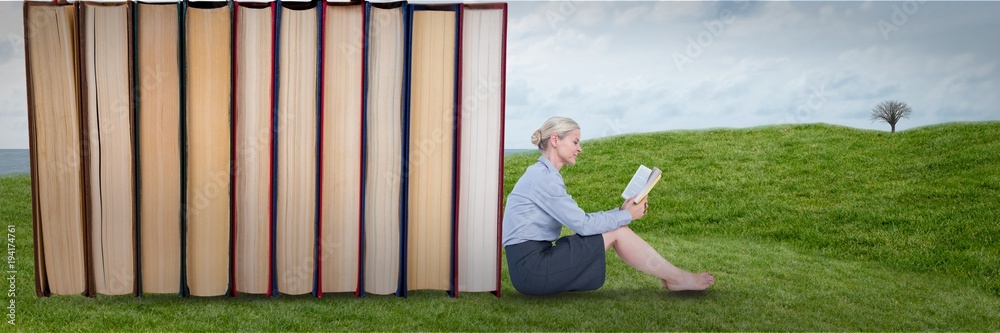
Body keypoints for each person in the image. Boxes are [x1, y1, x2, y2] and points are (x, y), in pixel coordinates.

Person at [503, 116, 715, 296]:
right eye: (575, 142)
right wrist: (626, 216)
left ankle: (676, 277)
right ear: (556, 140)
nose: (580, 149)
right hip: (532, 270)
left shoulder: (542, 174)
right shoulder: (544, 178)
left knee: (616, 228)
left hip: (533, 262)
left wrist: (621, 213)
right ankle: (678, 278)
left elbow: (581, 222)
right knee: (618, 232)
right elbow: (583, 225)